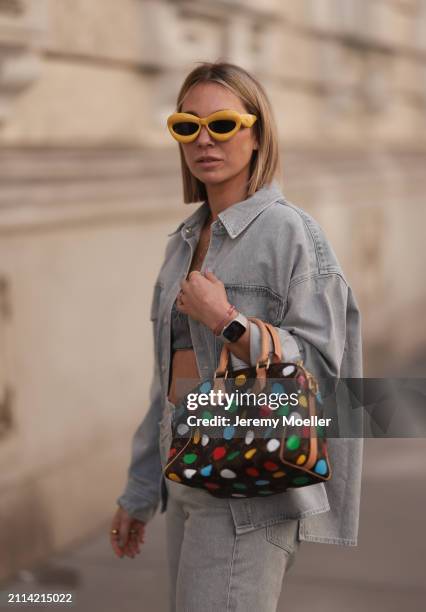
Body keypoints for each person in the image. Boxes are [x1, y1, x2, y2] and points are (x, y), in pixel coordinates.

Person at [110, 61, 364, 611]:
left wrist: (226, 319)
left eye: (222, 124)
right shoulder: (184, 241)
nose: (203, 140)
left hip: (249, 486)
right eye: (186, 125)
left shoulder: (288, 233)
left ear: (257, 132)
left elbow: (322, 370)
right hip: (185, 474)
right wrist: (139, 489)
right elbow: (167, 384)